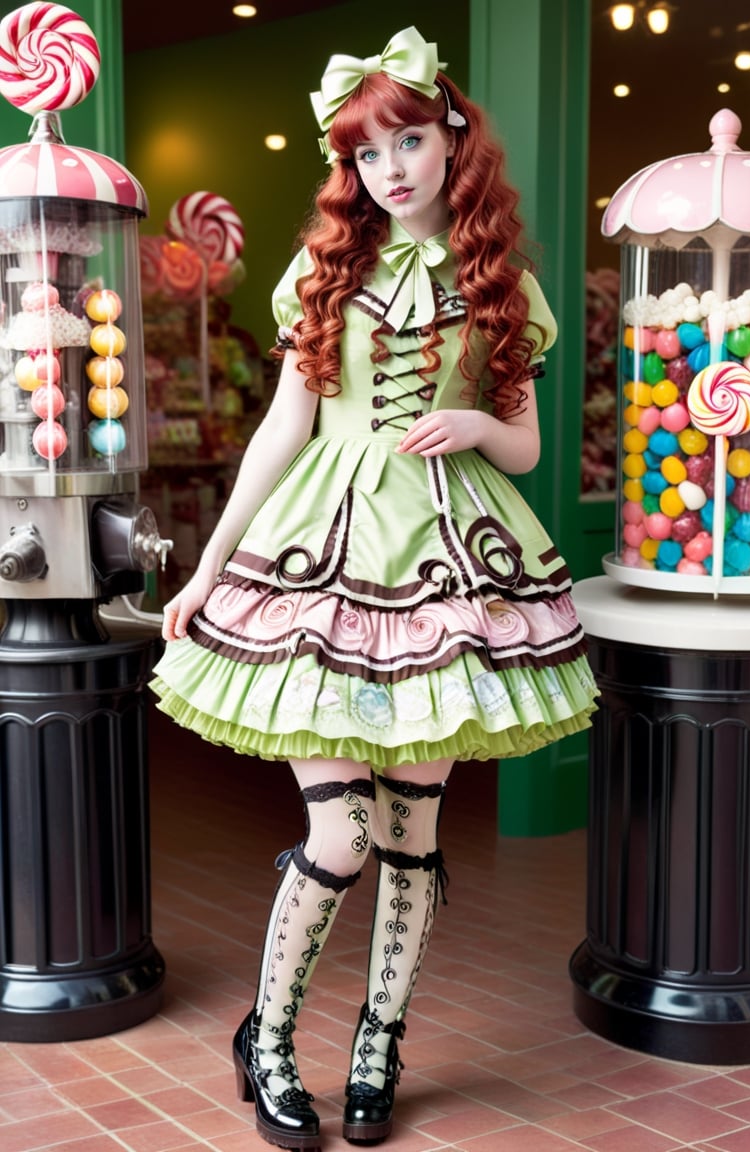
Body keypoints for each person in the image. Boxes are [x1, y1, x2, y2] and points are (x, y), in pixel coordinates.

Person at [151, 25, 599, 1150]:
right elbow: (282, 429)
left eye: (407, 139)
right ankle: (270, 1039)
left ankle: (378, 1041)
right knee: (341, 830)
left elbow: (530, 449)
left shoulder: (504, 283)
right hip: (325, 554)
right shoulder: (325, 271)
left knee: (411, 831)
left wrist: (477, 423)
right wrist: (208, 568)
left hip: (450, 559)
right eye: (365, 152)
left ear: (453, 139)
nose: (389, 167)